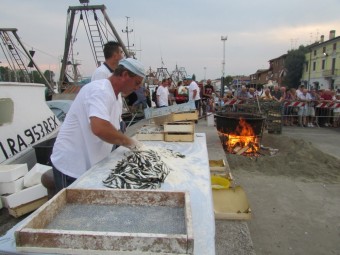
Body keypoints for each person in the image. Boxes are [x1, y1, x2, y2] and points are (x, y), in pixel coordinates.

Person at [51, 58, 145, 192]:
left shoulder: (116, 96)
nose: (137, 88)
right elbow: (99, 128)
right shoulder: (99, 90)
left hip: (91, 165)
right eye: (136, 83)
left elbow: (114, 129)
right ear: (124, 75)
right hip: (71, 167)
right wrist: (130, 143)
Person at [91, 41, 126, 132]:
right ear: (115, 55)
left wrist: (120, 120)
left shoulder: (114, 73)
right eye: (121, 52)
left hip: (116, 122)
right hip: (109, 125)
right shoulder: (101, 73)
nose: (123, 56)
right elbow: (99, 102)